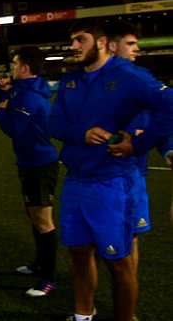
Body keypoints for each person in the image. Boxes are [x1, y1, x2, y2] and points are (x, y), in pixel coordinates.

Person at [50, 19, 173, 321]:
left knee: (119, 261)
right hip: (77, 182)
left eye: (81, 40)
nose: (74, 47)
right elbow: (53, 123)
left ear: (102, 43)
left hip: (113, 182)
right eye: (72, 41)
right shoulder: (70, 81)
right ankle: (83, 315)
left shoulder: (129, 76)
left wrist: (141, 145)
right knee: (78, 253)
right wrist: (82, 133)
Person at [0, 46, 59, 297]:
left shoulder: (30, 97)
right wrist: (2, 93)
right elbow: (8, 103)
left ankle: (49, 279)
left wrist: (0, 109)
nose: (12, 67)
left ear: (25, 67)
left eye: (15, 63)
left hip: (40, 165)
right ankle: (40, 264)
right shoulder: (26, 89)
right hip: (30, 163)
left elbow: (13, 128)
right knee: (33, 215)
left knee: (43, 220)